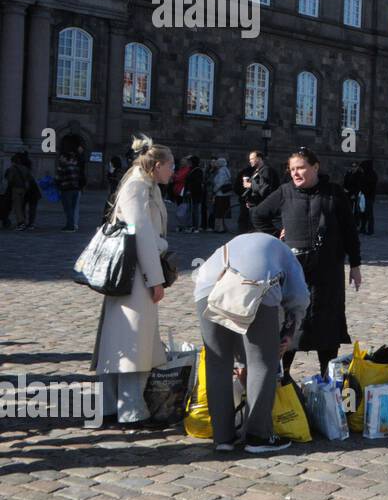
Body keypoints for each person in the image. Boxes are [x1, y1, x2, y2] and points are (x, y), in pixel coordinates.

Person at [193, 231, 309, 453]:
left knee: (217, 363)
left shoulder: (242, 242)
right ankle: (258, 437)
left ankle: (223, 438)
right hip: (254, 284)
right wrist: (290, 331)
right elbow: (299, 297)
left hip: (207, 285)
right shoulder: (287, 254)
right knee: (262, 362)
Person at [253, 148, 361, 379]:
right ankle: (283, 377)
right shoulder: (284, 192)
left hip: (328, 273)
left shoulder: (334, 193)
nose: (295, 173)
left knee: (328, 326)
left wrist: (355, 264)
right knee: (291, 324)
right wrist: (275, 234)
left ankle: (326, 378)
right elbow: (258, 215)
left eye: (300, 167)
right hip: (295, 271)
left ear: (315, 167)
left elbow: (350, 230)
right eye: (292, 169)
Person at [92, 136, 173, 426]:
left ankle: (112, 406)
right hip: (133, 275)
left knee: (128, 340)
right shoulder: (138, 186)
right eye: (171, 166)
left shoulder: (147, 185)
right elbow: (140, 234)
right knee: (131, 342)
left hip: (135, 273)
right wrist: (156, 278)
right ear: (158, 165)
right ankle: (129, 409)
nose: (173, 172)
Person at [243, 150, 280, 231]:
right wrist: (250, 201)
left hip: (261, 206)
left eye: (252, 159)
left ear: (259, 159)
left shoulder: (266, 170)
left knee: (262, 229)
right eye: (250, 159)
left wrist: (250, 185)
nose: (250, 161)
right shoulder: (257, 171)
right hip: (255, 205)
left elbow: (265, 189)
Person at [55, 147, 85, 232]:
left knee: (68, 208)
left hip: (67, 190)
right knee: (72, 208)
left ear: (65, 158)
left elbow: (58, 178)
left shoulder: (63, 167)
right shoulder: (75, 166)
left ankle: (70, 226)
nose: (60, 159)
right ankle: (71, 225)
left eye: (61, 157)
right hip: (76, 189)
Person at [208, 157, 234, 233]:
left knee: (219, 212)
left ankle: (220, 228)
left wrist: (214, 190)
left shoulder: (222, 171)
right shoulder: (226, 170)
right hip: (225, 194)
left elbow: (220, 183)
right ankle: (221, 227)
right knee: (222, 212)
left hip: (220, 194)